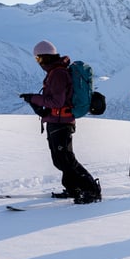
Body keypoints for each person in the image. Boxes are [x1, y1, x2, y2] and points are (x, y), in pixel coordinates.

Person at [19, 40, 102, 204]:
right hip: (56, 121)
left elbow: (57, 101)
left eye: (39, 59)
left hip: (61, 122)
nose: (39, 63)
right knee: (60, 160)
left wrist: (33, 98)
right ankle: (74, 189)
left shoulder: (58, 74)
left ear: (46, 57)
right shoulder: (55, 72)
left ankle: (92, 190)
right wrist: (37, 104)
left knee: (66, 159)